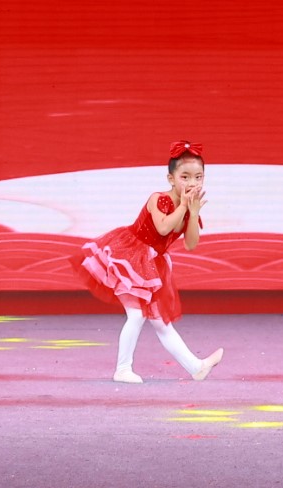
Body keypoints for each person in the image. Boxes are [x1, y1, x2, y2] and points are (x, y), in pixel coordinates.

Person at [76, 141, 223, 383]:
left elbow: (191, 243)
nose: (192, 183)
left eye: (198, 177)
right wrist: (184, 206)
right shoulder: (159, 199)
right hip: (131, 256)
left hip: (154, 264)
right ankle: (122, 369)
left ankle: (196, 367)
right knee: (136, 315)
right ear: (171, 179)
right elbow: (163, 228)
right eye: (185, 177)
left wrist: (194, 212)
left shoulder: (190, 208)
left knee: (161, 322)